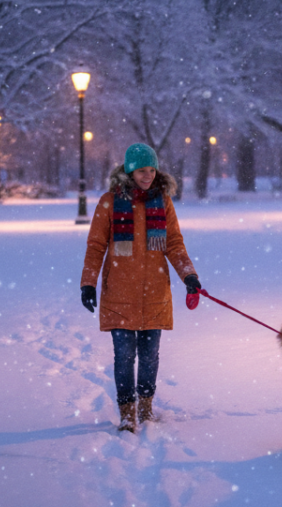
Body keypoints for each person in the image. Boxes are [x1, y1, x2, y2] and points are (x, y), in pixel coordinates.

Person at [79, 142, 202, 433]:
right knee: (124, 356)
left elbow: (173, 243)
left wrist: (189, 276)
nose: (147, 175)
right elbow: (96, 246)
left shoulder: (162, 202)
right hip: (119, 293)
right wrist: (88, 283)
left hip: (155, 293)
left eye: (151, 169)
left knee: (150, 356)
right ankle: (127, 413)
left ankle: (146, 408)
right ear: (129, 171)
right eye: (141, 170)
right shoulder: (109, 202)